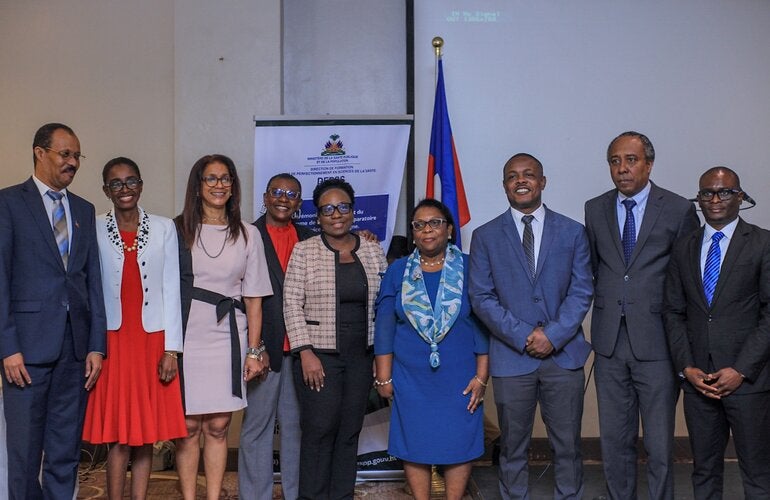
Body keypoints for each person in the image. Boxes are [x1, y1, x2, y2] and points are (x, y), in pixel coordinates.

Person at [469, 153, 593, 499]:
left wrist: (552, 335)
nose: (520, 181)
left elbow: (582, 290)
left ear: (542, 181)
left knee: (567, 447)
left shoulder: (573, 232)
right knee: (512, 448)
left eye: (528, 174)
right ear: (505, 185)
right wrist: (525, 335)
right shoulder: (485, 236)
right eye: (512, 176)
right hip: (512, 358)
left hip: (563, 357)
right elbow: (481, 297)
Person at [584, 131, 699, 500]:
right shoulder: (595, 207)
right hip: (609, 342)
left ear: (649, 164)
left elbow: (688, 276)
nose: (622, 168)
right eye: (615, 161)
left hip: (658, 342)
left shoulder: (679, 209)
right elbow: (595, 268)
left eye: (630, 160)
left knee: (660, 445)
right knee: (614, 441)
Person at [0, 123, 107, 499]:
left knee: (64, 452)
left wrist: (96, 346)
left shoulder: (83, 209)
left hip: (75, 352)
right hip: (25, 353)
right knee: (24, 455)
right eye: (65, 154)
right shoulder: (8, 203)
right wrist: (7, 348)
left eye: (77, 156)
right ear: (39, 152)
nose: (73, 162)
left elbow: (92, 283)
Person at [81, 157, 187, 499]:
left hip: (152, 338)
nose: (124, 189)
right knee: (117, 431)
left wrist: (172, 348)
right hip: (111, 338)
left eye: (131, 182)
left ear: (141, 185)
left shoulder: (164, 227)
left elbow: (172, 287)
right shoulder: (93, 226)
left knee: (145, 430)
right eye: (116, 183)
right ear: (105, 190)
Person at [664, 167, 770, 498]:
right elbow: (673, 311)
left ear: (740, 196)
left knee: (757, 472)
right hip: (699, 382)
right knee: (704, 471)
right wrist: (686, 368)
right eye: (706, 193)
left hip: (747, 381)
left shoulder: (763, 243)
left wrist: (741, 370)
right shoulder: (683, 247)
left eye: (724, 192)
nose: (714, 199)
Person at [374, 198, 489, 500]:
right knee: (415, 440)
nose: (427, 230)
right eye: (419, 224)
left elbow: (482, 322)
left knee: (459, 440)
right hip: (410, 376)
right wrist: (384, 377)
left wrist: (481, 376)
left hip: (460, 375)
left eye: (435, 223)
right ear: (413, 233)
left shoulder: (469, 265)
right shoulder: (398, 270)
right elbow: (385, 325)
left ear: (449, 230)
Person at [174, 154, 273, 500]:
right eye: (211, 179)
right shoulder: (177, 230)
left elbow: (255, 298)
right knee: (186, 428)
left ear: (233, 186)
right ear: (197, 187)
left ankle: (213, 496)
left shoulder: (249, 233)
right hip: (187, 334)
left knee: (217, 426)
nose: (219, 185)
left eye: (225, 178)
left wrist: (254, 351)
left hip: (229, 334)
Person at [283, 178, 387, 500]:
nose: (336, 214)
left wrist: (381, 356)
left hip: (361, 355)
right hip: (320, 357)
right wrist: (306, 352)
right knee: (319, 429)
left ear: (353, 211)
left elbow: (386, 302)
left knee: (349, 430)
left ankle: (341, 496)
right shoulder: (304, 251)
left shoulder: (371, 248)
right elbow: (291, 303)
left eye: (343, 206)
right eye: (327, 208)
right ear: (318, 216)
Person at [239, 173, 314, 500]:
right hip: (263, 349)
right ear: (266, 197)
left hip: (301, 351)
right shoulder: (245, 235)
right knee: (257, 429)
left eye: (292, 194)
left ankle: (296, 494)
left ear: (299, 203)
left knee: (296, 429)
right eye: (278, 192)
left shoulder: (311, 238)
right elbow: (239, 295)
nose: (284, 198)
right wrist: (256, 347)